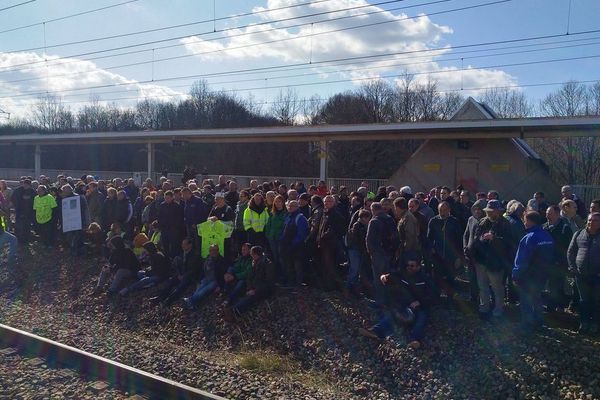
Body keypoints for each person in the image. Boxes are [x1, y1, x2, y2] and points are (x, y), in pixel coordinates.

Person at [358, 254, 435, 349]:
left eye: (412, 266)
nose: (409, 267)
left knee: (421, 319)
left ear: (418, 266)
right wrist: (384, 277)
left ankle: (415, 340)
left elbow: (433, 295)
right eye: (408, 265)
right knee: (392, 315)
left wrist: (420, 302)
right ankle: (375, 331)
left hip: (420, 306)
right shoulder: (403, 274)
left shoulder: (425, 278)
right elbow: (391, 277)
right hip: (405, 304)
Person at [470, 200, 514, 318]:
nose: (489, 213)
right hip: (481, 261)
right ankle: (484, 308)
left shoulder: (505, 224)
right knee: (482, 287)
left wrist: (494, 239)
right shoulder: (483, 222)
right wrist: (481, 240)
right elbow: (476, 238)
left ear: (498, 211)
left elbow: (508, 243)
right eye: (488, 211)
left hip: (496, 262)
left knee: (497, 288)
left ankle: (498, 310)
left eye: (492, 211)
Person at [512, 211, 555, 332]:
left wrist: (516, 274)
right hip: (542, 275)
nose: (524, 223)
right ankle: (539, 322)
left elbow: (522, 259)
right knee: (537, 299)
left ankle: (527, 325)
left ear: (530, 221)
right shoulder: (547, 236)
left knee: (526, 301)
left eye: (525, 220)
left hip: (527, 276)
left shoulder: (529, 237)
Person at [567, 212, 600, 334]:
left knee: (596, 301)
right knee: (583, 300)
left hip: (597, 276)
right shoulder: (579, 234)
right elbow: (571, 252)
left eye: (596, 220)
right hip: (581, 275)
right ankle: (584, 323)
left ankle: (595, 324)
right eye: (590, 220)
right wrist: (572, 267)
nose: (592, 222)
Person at [224, 245, 276, 320]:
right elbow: (250, 277)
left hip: (263, 288)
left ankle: (234, 311)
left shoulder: (267, 264)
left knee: (251, 298)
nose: (251, 256)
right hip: (255, 286)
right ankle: (230, 308)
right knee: (244, 294)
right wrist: (249, 288)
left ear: (256, 254)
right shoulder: (254, 262)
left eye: (252, 255)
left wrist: (255, 290)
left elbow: (268, 282)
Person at [151, 238, 203, 307]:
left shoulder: (195, 255)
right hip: (180, 274)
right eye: (182, 244)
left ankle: (168, 301)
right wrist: (179, 274)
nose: (183, 246)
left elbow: (193, 269)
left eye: (185, 244)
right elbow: (177, 266)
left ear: (190, 245)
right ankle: (160, 297)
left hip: (190, 276)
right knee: (171, 283)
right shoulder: (181, 254)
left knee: (180, 287)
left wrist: (184, 276)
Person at [427, 201, 462, 300]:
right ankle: (437, 298)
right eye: (440, 210)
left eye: (444, 210)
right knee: (437, 278)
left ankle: (450, 298)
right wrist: (431, 249)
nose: (442, 212)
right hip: (437, 255)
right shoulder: (433, 221)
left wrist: (459, 256)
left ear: (449, 210)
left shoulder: (454, 221)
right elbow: (429, 238)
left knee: (450, 278)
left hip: (450, 256)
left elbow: (459, 240)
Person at [366, 202, 399, 306]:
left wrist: (371, 252)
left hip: (378, 253)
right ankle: (390, 299)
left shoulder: (374, 221)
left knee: (378, 278)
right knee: (388, 277)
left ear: (373, 210)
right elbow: (395, 236)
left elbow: (369, 239)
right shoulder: (390, 219)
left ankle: (380, 301)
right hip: (389, 252)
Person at [543, 205, 573, 312]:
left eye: (549, 213)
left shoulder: (565, 228)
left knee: (557, 285)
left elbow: (569, 247)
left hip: (559, 263)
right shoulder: (544, 227)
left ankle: (557, 307)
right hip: (546, 262)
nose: (547, 215)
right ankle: (550, 306)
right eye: (546, 213)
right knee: (549, 286)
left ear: (557, 214)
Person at [316, 195, 346, 291]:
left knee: (330, 265)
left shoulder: (335, 214)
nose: (327, 203)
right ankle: (327, 284)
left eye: (329, 201)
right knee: (325, 265)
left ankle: (332, 286)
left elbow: (333, 230)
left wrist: (323, 237)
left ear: (333, 203)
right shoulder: (325, 213)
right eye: (325, 201)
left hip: (331, 244)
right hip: (324, 243)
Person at [183, 244, 227, 309]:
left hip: (215, 280)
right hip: (206, 278)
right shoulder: (207, 258)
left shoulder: (221, 260)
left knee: (203, 291)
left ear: (218, 251)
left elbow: (223, 274)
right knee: (198, 289)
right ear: (209, 251)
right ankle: (192, 304)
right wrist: (199, 280)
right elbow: (203, 270)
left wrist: (220, 286)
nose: (213, 252)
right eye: (212, 250)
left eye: (215, 250)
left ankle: (190, 300)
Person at [280, 200, 309, 288]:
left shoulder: (300, 218)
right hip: (287, 246)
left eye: (293, 206)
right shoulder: (288, 216)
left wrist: (293, 244)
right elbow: (283, 230)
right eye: (289, 206)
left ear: (297, 207)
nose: (290, 207)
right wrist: (281, 239)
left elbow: (302, 234)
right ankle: (291, 282)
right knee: (289, 265)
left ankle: (298, 284)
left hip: (297, 247)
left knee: (297, 266)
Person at [462, 199, 487, 304]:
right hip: (470, 254)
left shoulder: (486, 221)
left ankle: (484, 301)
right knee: (472, 278)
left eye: (479, 209)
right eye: (475, 209)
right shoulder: (471, 219)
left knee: (482, 281)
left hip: (481, 256)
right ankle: (473, 297)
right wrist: (465, 247)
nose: (477, 211)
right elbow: (466, 235)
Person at [346, 209, 371, 297]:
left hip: (357, 249)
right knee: (354, 268)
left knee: (356, 268)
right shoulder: (358, 225)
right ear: (364, 217)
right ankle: (349, 287)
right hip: (355, 249)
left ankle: (352, 287)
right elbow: (359, 239)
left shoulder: (360, 225)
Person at [265, 195, 286, 283]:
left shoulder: (285, 213)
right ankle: (277, 276)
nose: (277, 203)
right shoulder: (272, 213)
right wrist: (268, 234)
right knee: (275, 257)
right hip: (272, 238)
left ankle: (284, 276)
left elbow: (285, 226)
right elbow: (268, 225)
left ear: (283, 203)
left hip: (280, 238)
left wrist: (281, 236)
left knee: (282, 258)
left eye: (279, 201)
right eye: (276, 202)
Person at [393, 197, 420, 267]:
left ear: (398, 207)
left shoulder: (408, 217)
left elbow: (410, 235)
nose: (395, 210)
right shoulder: (404, 217)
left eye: (395, 207)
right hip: (406, 250)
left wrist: (405, 250)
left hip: (409, 251)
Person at [158, 190, 185, 259]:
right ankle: (166, 259)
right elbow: (159, 216)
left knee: (174, 246)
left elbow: (180, 218)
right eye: (165, 198)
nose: (166, 199)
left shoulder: (176, 206)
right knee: (165, 245)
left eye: (168, 198)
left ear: (172, 197)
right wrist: (160, 225)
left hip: (174, 229)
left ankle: (174, 259)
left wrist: (177, 227)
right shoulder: (162, 205)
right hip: (164, 229)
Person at [12, 178, 36, 244]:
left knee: (27, 226)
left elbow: (35, 201)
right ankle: (17, 239)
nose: (25, 186)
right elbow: (13, 198)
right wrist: (16, 206)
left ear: (30, 185)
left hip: (28, 213)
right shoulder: (18, 190)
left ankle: (26, 240)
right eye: (24, 184)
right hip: (19, 211)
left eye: (27, 185)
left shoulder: (32, 192)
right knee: (18, 226)